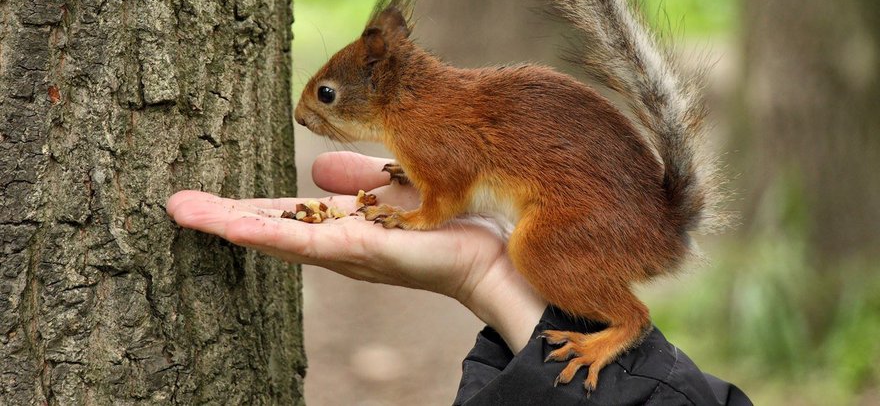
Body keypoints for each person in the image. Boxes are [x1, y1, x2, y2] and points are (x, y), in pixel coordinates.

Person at [167, 151, 752, 405]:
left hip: (595, 215)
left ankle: (623, 325)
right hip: (579, 207)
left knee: (533, 248)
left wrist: (426, 217)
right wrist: (483, 273)